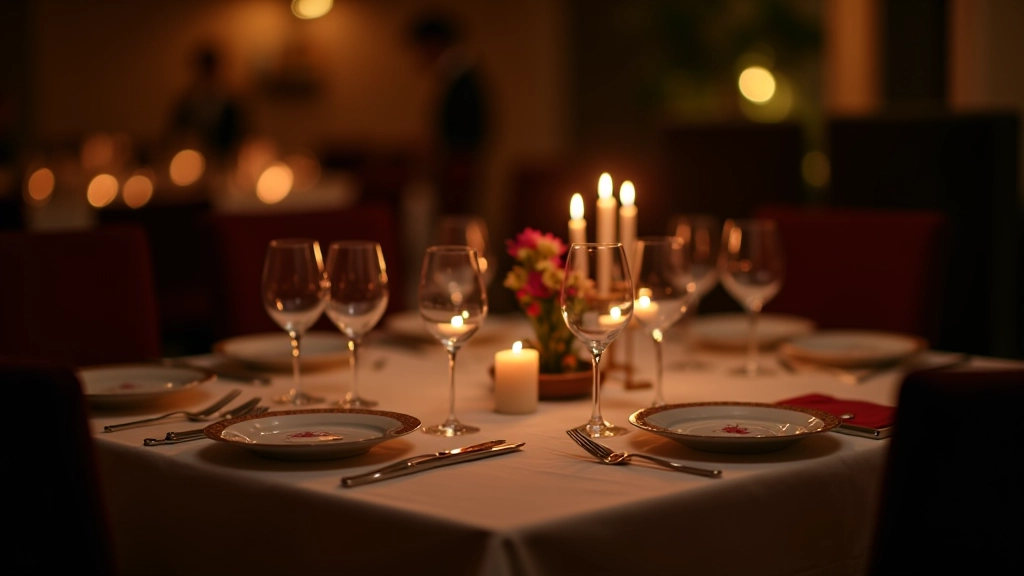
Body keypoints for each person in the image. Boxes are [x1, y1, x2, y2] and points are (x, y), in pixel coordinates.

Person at [408, 11, 491, 216]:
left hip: (457, 164)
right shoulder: (456, 75)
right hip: (456, 163)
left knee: (455, 216)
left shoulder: (462, 78)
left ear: (434, 43)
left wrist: (442, 153)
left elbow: (470, 127)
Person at [167, 43, 246, 165]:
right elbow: (174, 134)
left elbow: (241, 135)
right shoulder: (185, 103)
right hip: (190, 162)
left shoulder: (232, 103)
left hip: (224, 163)